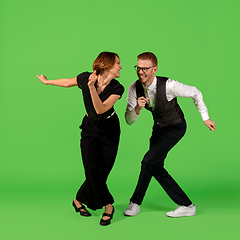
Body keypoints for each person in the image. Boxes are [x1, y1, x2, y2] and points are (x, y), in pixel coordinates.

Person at [123, 52, 215, 218]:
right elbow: (129, 121)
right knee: (152, 165)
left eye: (145, 68)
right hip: (158, 128)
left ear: (154, 69)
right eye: (138, 67)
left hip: (175, 127)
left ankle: (184, 205)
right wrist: (137, 109)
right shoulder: (133, 88)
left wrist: (205, 117)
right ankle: (138, 204)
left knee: (148, 161)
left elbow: (195, 92)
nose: (140, 71)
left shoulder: (169, 85)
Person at [37, 52, 124, 226]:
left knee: (102, 171)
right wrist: (47, 81)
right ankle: (108, 206)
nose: (121, 67)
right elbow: (66, 82)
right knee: (91, 168)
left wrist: (92, 89)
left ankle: (78, 200)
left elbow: (101, 109)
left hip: (110, 131)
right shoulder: (85, 78)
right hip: (90, 129)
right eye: (118, 63)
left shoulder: (117, 88)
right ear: (106, 65)